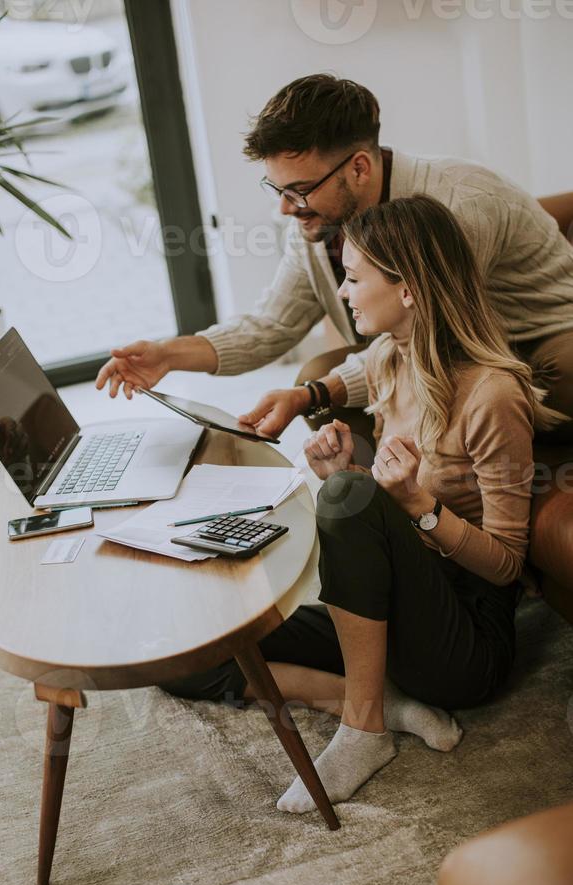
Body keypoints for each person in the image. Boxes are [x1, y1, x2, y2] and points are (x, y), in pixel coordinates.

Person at [158, 195, 566, 813]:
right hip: (394, 611)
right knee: (189, 653)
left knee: (352, 493)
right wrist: (341, 475)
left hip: (465, 641)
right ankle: (382, 700)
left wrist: (420, 505)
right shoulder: (384, 360)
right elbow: (377, 528)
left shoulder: (492, 395)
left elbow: (510, 566)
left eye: (353, 278)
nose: (344, 294)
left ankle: (364, 726)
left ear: (407, 290)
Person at [95, 74, 573, 443]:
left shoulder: (455, 206)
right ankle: (383, 507)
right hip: (441, 344)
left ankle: (420, 512)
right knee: (315, 376)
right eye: (278, 189)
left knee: (329, 385)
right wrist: (169, 355)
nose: (284, 207)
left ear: (359, 167)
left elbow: (435, 343)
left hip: (539, 336)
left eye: (298, 190)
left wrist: (312, 394)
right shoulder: (318, 223)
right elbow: (273, 325)